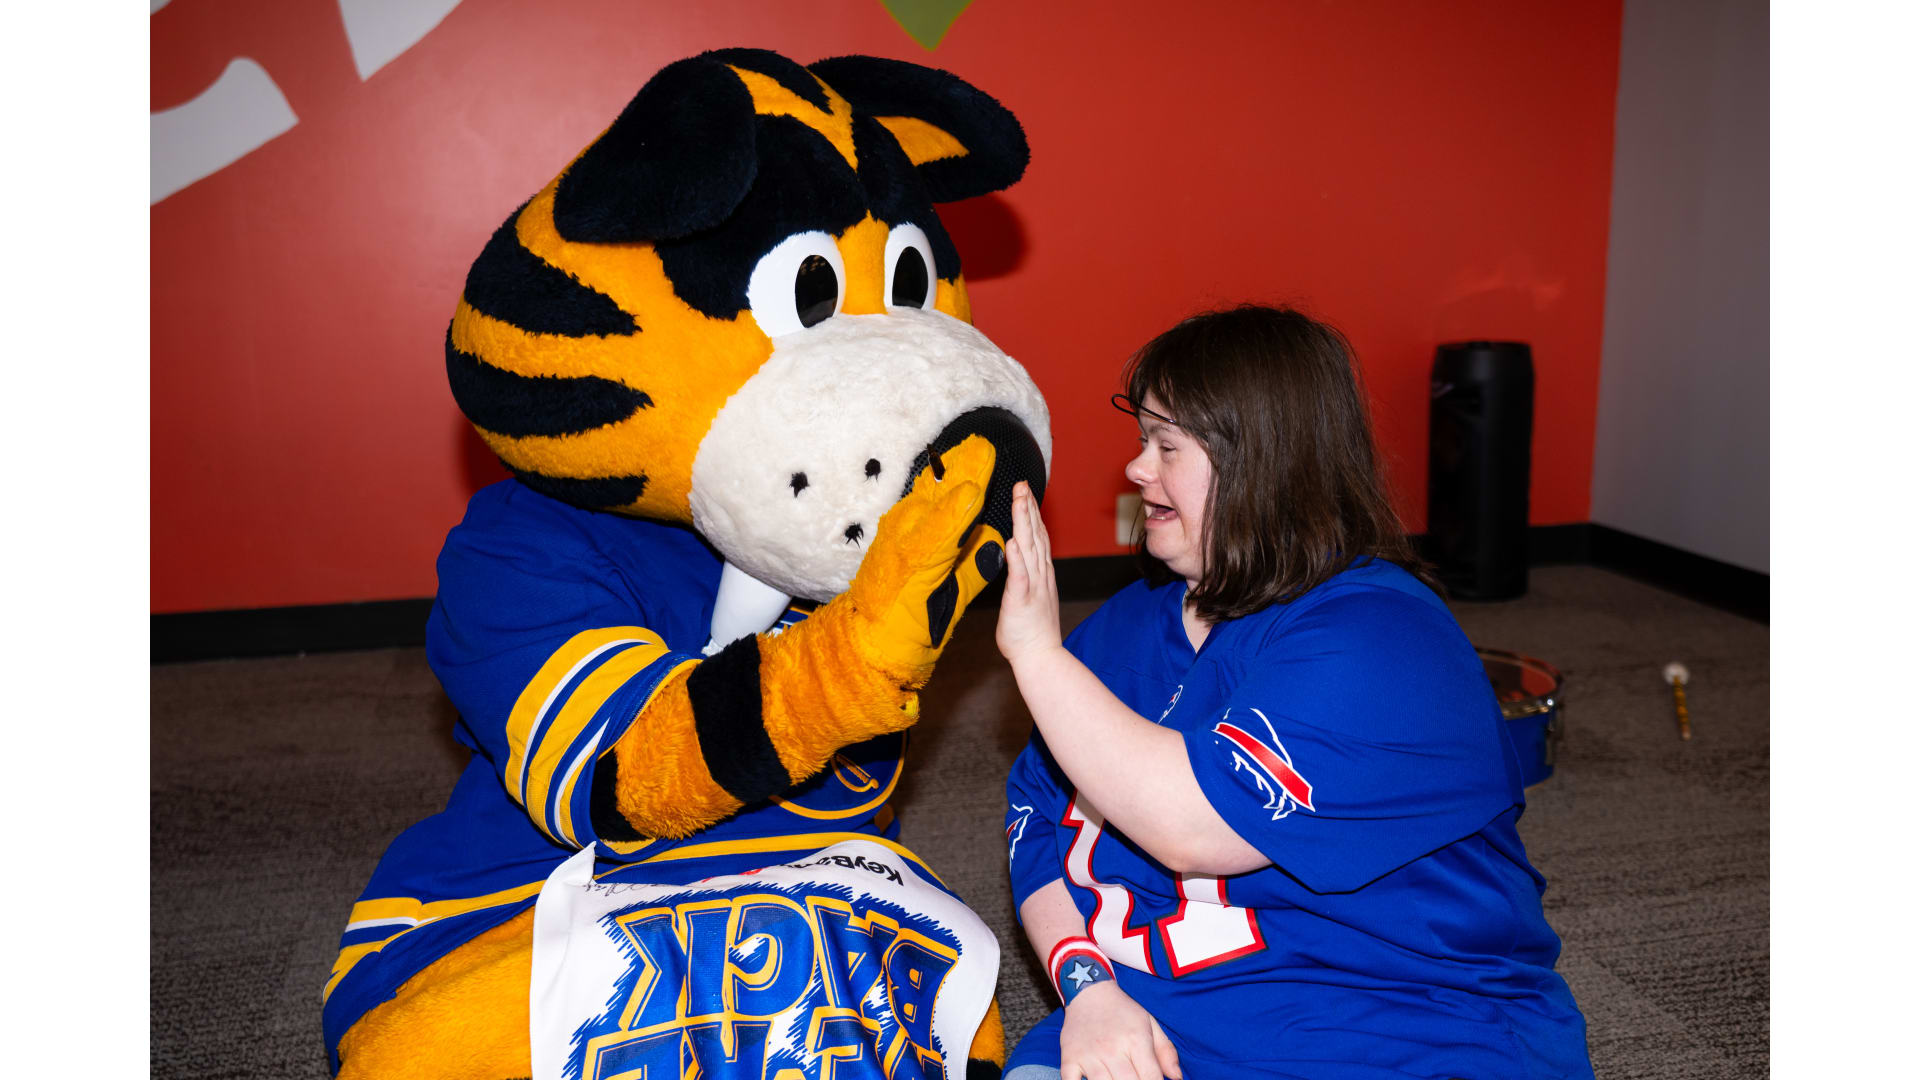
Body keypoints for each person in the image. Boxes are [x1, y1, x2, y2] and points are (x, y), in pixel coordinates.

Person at [993, 305, 1593, 1080]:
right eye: (1143, 440)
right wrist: (1087, 991)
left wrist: (1036, 656)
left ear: (1261, 466)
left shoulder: (1381, 638)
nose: (1138, 469)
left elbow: (1190, 824)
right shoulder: (1124, 628)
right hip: (1148, 1021)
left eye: (1167, 446)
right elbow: (1035, 822)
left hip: (1394, 1024)